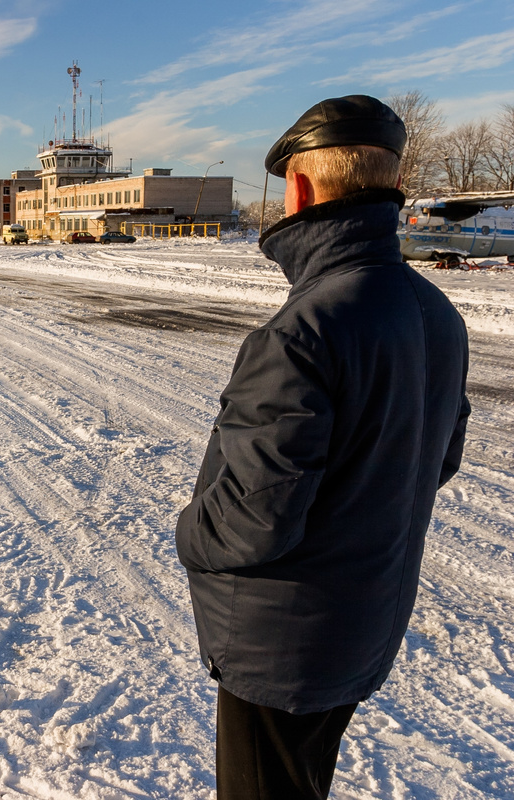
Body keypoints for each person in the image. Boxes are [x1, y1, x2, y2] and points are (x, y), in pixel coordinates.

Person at [175, 95, 470, 799]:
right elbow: (436, 458)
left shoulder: (301, 332)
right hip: (363, 622)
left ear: (301, 190)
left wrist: (190, 534)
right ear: (393, 182)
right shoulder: (437, 313)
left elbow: (256, 516)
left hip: (280, 646)